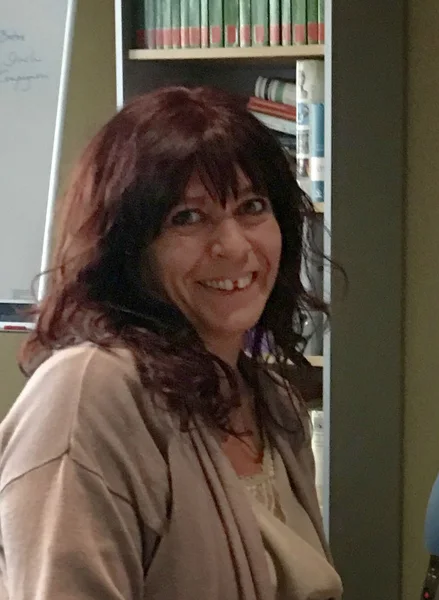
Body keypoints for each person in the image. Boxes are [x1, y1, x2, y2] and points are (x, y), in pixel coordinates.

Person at [0, 86, 342, 599]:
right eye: (188, 217)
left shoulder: (274, 401)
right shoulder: (88, 396)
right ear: (127, 245)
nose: (233, 246)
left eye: (252, 207)